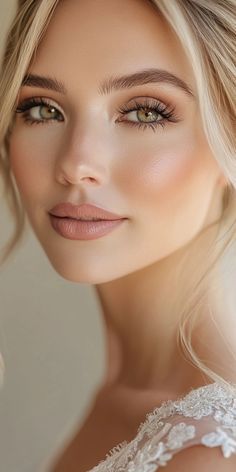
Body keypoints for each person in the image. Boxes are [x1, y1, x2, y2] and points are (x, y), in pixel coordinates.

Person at [0, 0, 236, 470]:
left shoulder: (208, 453)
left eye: (145, 112)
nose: (75, 164)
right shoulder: (126, 386)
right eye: (42, 108)